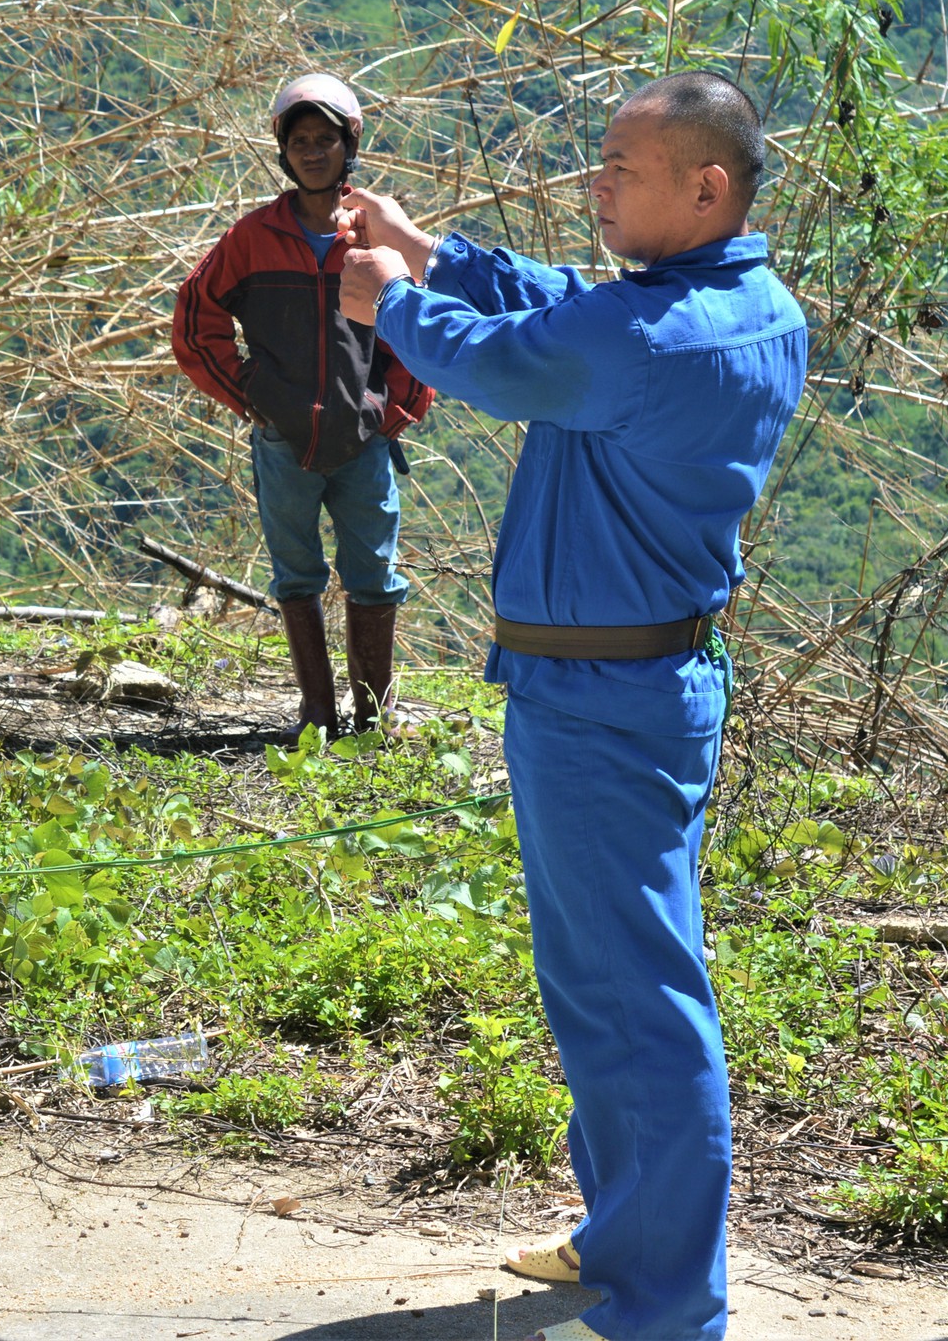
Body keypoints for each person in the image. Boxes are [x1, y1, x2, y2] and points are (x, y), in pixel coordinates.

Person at [336, 72, 808, 1341]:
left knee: (638, 995)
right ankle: (626, 1239)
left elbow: (504, 359)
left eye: (619, 167)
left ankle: (664, 1305)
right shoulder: (733, 307)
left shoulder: (658, 338)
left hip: (605, 698)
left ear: (706, 186)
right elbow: (562, 312)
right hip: (618, 684)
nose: (592, 182)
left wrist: (390, 300)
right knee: (600, 981)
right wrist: (436, 252)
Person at [171, 74, 434, 737]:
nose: (313, 152)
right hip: (284, 440)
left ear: (351, 145)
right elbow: (196, 320)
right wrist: (249, 396)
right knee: (297, 574)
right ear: (283, 152)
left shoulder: (374, 236)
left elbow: (423, 325)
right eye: (300, 141)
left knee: (374, 572)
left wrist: (393, 409)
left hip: (364, 439)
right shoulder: (254, 238)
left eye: (326, 139)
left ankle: (372, 716)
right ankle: (317, 712)